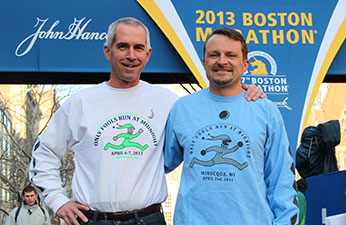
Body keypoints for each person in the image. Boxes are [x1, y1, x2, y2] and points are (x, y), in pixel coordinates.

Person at [28, 18, 264, 225]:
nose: (131, 55)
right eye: (123, 47)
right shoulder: (80, 102)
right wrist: (57, 200)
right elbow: (44, 153)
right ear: (108, 51)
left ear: (148, 54)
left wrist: (246, 94)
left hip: (149, 219)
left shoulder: (171, 103)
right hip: (93, 220)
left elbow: (215, 115)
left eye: (138, 48)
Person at [164, 27, 299, 225]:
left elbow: (282, 179)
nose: (222, 61)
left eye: (230, 55)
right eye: (214, 55)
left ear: (245, 65)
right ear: (204, 62)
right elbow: (156, 165)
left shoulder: (266, 110)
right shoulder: (182, 108)